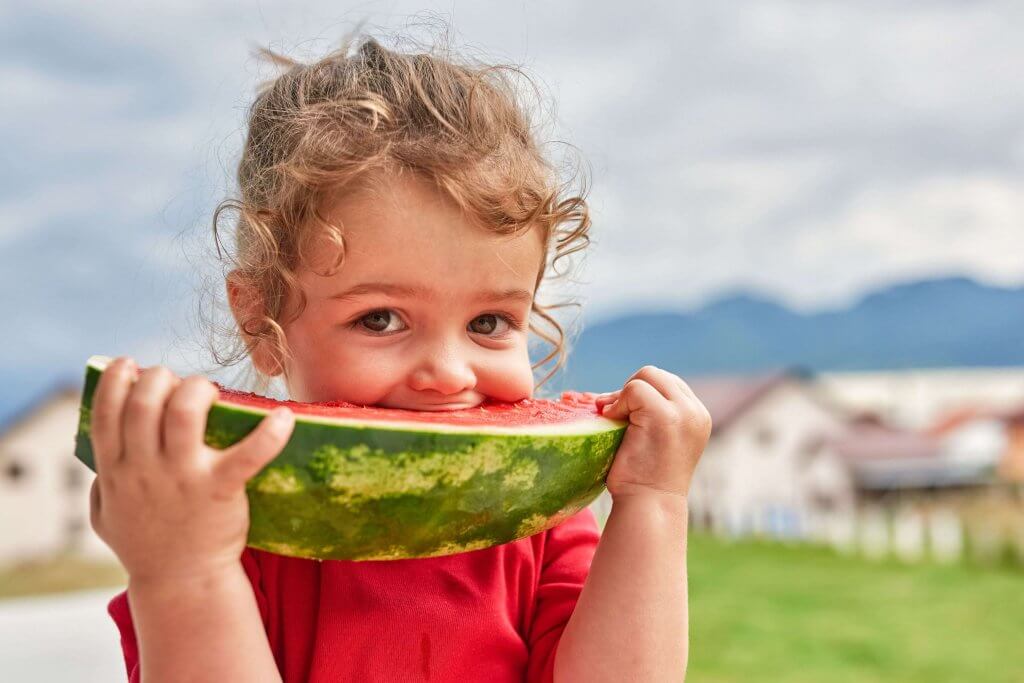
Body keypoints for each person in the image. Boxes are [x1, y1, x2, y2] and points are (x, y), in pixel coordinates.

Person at [88, 30, 712, 683]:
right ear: (260, 319)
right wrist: (186, 573)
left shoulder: (542, 525)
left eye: (489, 321)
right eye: (380, 318)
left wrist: (653, 503)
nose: (448, 372)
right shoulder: (227, 532)